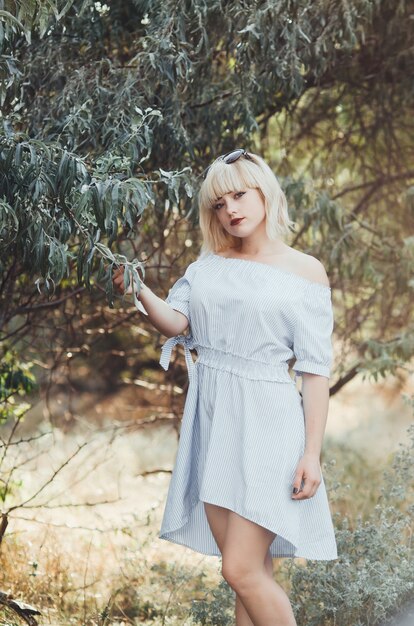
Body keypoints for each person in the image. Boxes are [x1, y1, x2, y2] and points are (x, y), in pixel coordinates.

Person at [112, 149, 337, 626]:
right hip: (213, 424)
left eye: (239, 195)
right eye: (219, 203)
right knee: (249, 570)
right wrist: (139, 290)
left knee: (240, 569)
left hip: (271, 424)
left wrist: (311, 453)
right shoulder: (207, 267)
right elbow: (175, 322)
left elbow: (315, 371)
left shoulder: (304, 271)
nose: (230, 209)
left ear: (264, 193)